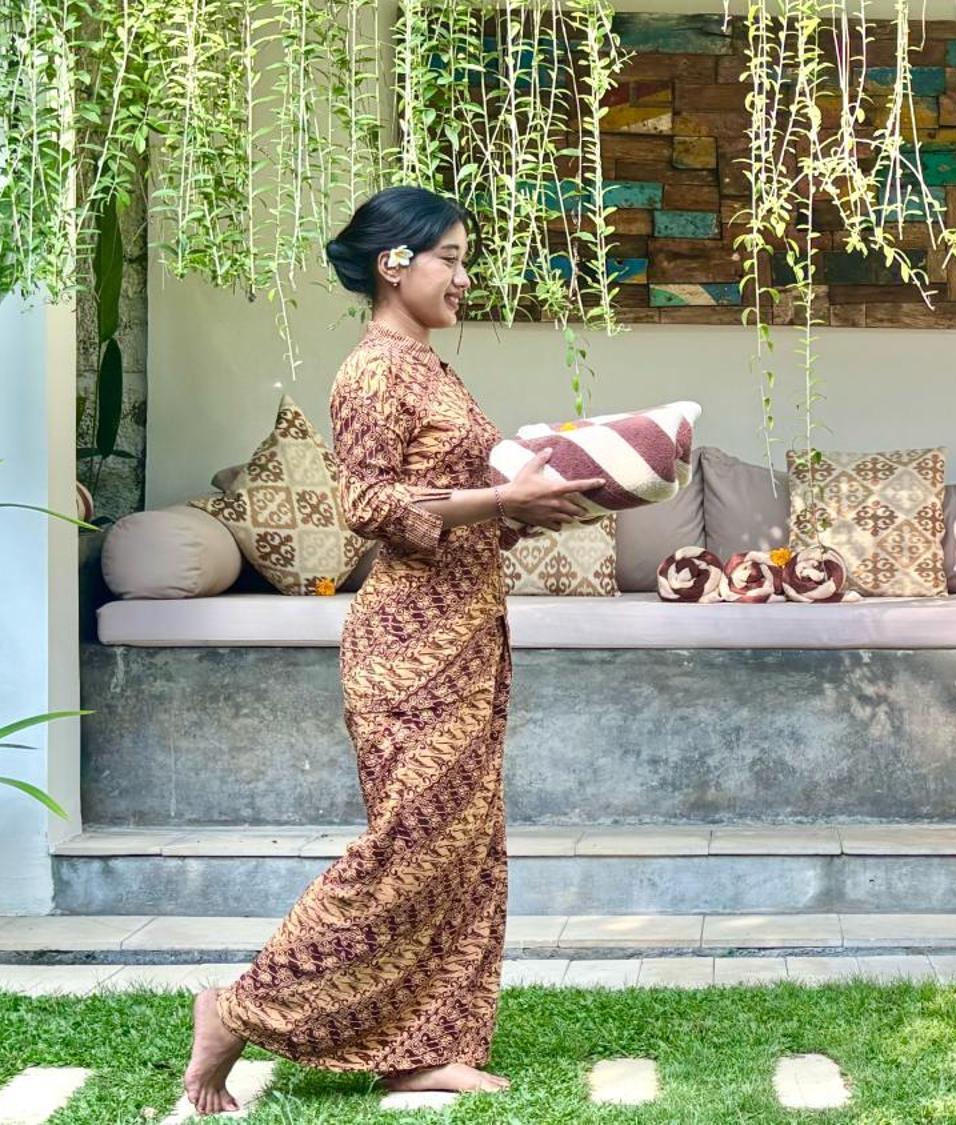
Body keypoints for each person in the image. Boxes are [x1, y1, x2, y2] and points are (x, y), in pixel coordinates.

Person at [180, 186, 602, 1115]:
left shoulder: (430, 367)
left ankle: (425, 1049)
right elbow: (369, 503)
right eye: (450, 257)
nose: (464, 276)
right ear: (393, 263)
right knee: (408, 845)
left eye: (464, 258)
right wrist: (504, 501)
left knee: (465, 849)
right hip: (409, 644)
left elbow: (450, 503)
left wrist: (530, 510)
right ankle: (238, 1008)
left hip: (469, 630)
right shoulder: (373, 371)